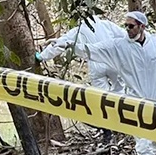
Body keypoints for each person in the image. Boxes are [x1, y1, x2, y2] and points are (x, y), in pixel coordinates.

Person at [72, 11, 156, 155]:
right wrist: (67, 45)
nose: (127, 29)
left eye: (131, 26)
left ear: (142, 26)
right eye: (125, 25)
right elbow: (93, 50)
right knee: (141, 135)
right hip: (136, 98)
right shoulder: (120, 45)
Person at [35, 15, 126, 143]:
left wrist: (42, 56)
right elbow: (125, 36)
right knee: (120, 92)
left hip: (96, 66)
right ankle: (123, 125)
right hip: (114, 63)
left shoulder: (78, 30)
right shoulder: (107, 25)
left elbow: (61, 43)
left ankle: (108, 133)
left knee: (102, 100)